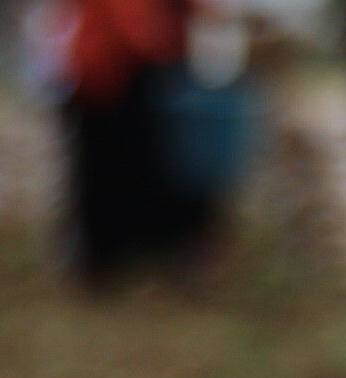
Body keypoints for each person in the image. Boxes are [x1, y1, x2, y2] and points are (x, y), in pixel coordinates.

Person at [49, 0, 222, 282]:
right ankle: (104, 262)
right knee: (107, 170)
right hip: (109, 72)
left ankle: (151, 254)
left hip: (146, 70)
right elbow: (132, 23)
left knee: (156, 165)